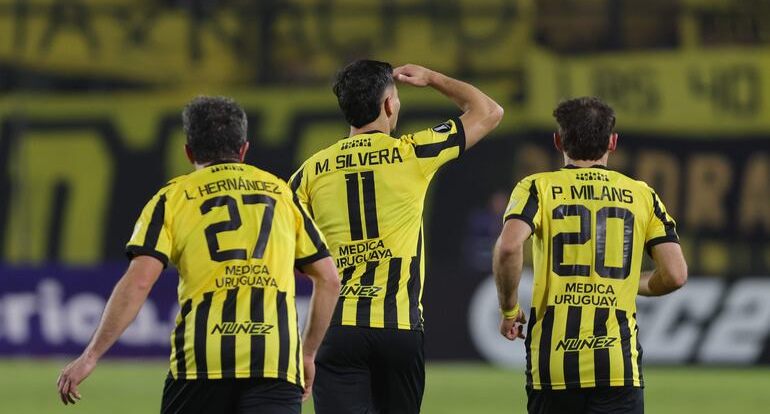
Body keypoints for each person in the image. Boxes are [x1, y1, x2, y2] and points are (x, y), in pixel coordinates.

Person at [57, 96, 340, 414]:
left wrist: (91, 355)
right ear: (244, 149)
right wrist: (306, 354)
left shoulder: (172, 198)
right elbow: (329, 279)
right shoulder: (282, 194)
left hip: (201, 364)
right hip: (275, 363)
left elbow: (138, 283)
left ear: (189, 152)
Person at [290, 60, 503, 414]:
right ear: (389, 105)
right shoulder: (414, 152)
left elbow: (279, 233)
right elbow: (489, 111)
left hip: (336, 327)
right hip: (399, 328)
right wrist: (433, 78)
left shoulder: (310, 171)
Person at [493, 96, 688, 414]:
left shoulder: (537, 187)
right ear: (612, 142)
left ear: (559, 141)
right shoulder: (641, 194)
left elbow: (509, 246)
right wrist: (626, 283)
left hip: (553, 363)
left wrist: (508, 308)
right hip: (617, 364)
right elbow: (676, 274)